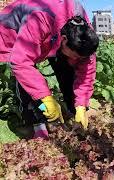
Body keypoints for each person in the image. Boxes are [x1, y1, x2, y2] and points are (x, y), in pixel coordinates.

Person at [0, 0, 99, 139]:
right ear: (64, 40)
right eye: (76, 56)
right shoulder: (39, 19)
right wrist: (45, 97)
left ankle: (73, 112)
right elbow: (21, 62)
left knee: (68, 68)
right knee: (30, 86)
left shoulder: (84, 32)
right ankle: (36, 123)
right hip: (14, 31)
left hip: (52, 33)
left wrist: (81, 104)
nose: (78, 60)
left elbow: (87, 69)